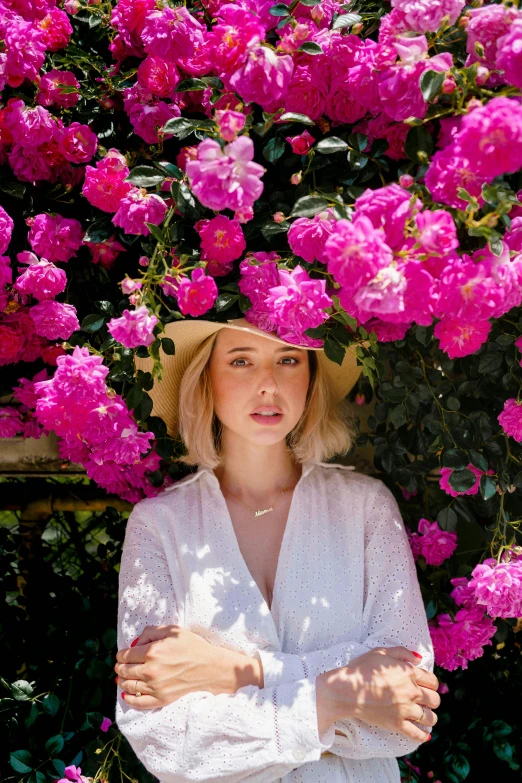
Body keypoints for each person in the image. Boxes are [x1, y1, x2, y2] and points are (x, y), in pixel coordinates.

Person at [114, 317, 439, 783]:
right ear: (205, 377)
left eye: (288, 360)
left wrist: (231, 673)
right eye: (241, 361)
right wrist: (338, 699)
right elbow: (164, 740)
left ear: (310, 378)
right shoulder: (159, 526)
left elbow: (408, 710)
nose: (268, 384)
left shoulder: (365, 508)